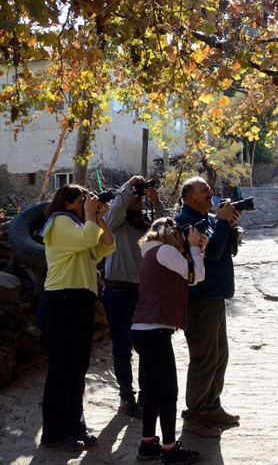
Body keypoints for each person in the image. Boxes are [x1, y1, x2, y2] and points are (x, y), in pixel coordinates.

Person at [37, 184, 116, 452]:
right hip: (61, 301)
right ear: (69, 203)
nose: (88, 203)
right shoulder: (60, 222)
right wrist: (91, 216)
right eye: (84, 200)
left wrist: (100, 215)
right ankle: (54, 434)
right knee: (62, 370)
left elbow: (107, 246)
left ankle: (74, 427)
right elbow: (87, 239)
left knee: (77, 369)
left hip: (79, 303)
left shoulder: (83, 227)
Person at [131, 217, 206, 464]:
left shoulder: (151, 252)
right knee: (168, 392)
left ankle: (147, 444)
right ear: (170, 233)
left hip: (143, 329)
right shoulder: (164, 250)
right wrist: (194, 248)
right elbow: (197, 276)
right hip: (155, 331)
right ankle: (170, 450)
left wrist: (197, 250)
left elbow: (190, 274)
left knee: (153, 391)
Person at [174, 177, 242, 438]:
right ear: (189, 196)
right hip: (199, 300)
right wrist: (223, 221)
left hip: (215, 298)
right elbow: (211, 254)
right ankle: (194, 416)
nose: (210, 193)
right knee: (204, 359)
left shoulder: (211, 220)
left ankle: (212, 407)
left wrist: (231, 227)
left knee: (219, 357)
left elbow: (227, 250)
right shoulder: (185, 223)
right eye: (205, 190)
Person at [103, 176, 164, 418]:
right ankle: (126, 396)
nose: (138, 198)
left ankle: (144, 394)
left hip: (143, 292)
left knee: (145, 347)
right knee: (122, 348)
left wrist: (156, 201)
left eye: (140, 195)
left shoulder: (145, 223)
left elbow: (167, 230)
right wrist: (127, 187)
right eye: (135, 196)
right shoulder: (114, 224)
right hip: (118, 291)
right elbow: (115, 210)